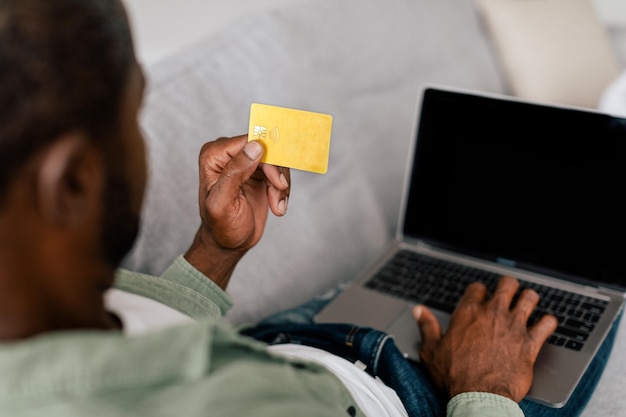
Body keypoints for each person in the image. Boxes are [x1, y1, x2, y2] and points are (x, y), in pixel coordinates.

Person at [0, 1, 616, 416]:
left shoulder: (32, 300)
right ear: (71, 181)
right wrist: (484, 388)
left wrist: (214, 255)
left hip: (295, 341)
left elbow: (135, 330)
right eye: (136, 113)